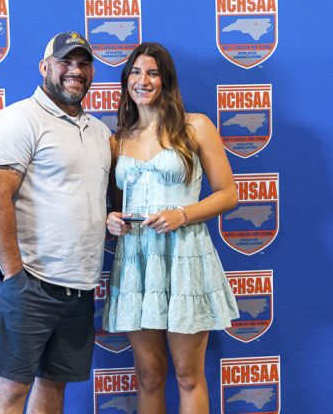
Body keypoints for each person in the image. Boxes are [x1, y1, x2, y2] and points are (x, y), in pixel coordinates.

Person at [0, 31, 111, 414]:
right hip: (30, 279)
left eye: (83, 63)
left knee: (53, 386)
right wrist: (15, 276)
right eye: (66, 61)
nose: (75, 70)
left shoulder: (100, 132)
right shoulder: (18, 119)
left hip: (79, 286)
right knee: (12, 389)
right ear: (44, 67)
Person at [104, 42, 240, 414]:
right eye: (135, 72)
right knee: (149, 375)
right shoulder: (117, 140)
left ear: (166, 80)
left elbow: (228, 194)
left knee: (187, 375)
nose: (143, 81)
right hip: (136, 261)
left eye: (152, 73)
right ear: (126, 80)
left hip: (185, 255)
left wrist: (183, 214)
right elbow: (115, 205)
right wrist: (111, 220)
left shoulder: (195, 126)